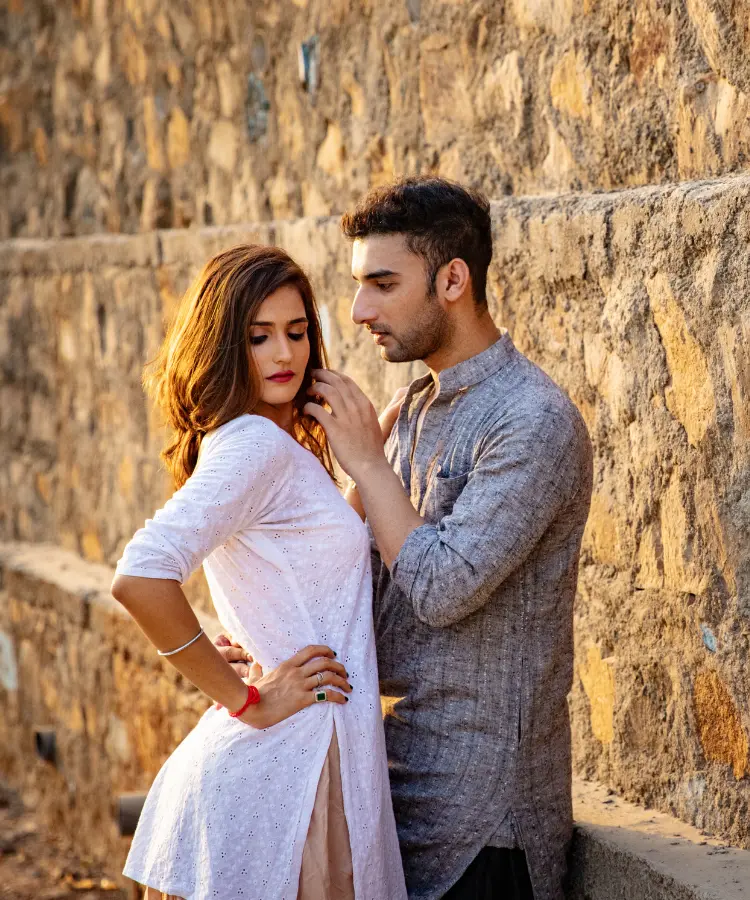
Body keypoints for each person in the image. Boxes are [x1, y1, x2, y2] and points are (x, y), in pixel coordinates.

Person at [219, 178, 592, 899]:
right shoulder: (414, 409)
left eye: (382, 284)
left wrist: (364, 462)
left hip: (487, 827)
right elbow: (364, 599)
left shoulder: (533, 421)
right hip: (390, 798)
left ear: (453, 279)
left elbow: (443, 589)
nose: (359, 311)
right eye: (360, 285)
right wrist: (261, 646)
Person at [111, 245, 407, 900]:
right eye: (260, 337)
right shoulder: (256, 446)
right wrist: (243, 696)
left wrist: (366, 463)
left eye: (298, 333)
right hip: (288, 773)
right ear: (225, 346)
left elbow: (309, 569)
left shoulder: (270, 447)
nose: (285, 355)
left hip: (298, 761)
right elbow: (140, 576)